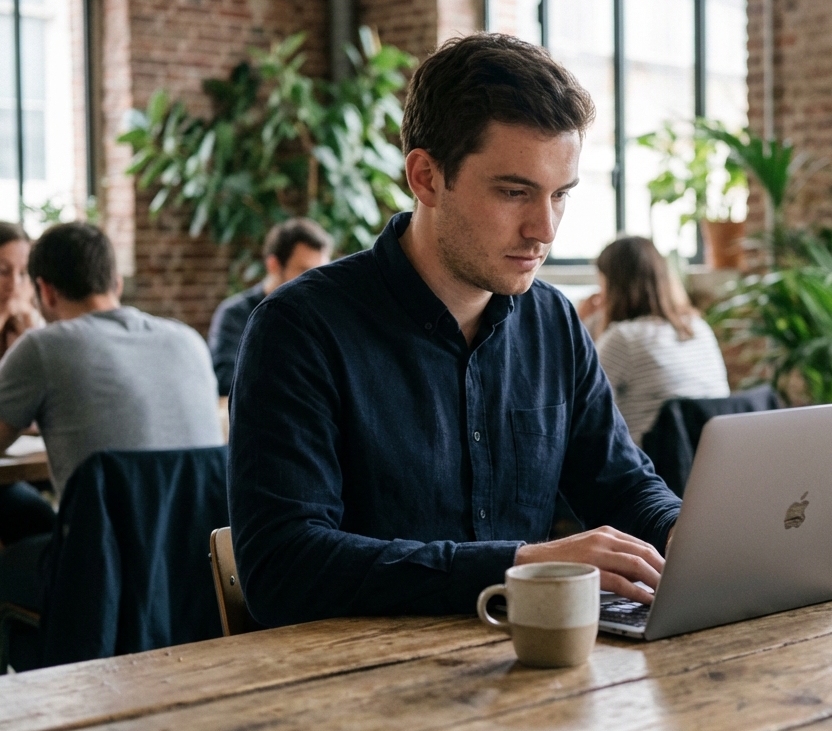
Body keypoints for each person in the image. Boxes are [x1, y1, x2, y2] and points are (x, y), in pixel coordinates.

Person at [228, 33, 681, 628]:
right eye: (515, 192)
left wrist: (700, 539)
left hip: (528, 671)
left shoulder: (553, 321)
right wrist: (519, 567)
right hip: (358, 690)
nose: (544, 230)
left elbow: (621, 486)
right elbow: (284, 568)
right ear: (426, 177)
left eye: (560, 196)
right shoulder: (299, 329)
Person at [0, 223, 224, 618]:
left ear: (45, 290)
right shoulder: (188, 340)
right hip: (197, 569)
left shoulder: (42, 347)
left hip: (101, 574)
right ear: (115, 283)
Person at [586, 237, 730, 444]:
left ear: (612, 284)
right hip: (706, 461)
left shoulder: (623, 338)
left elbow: (584, 409)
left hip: (649, 467)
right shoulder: (698, 327)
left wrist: (578, 324)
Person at [208, 217, 332, 396]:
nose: (316, 283)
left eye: (321, 273)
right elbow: (226, 379)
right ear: (273, 265)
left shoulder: (323, 316)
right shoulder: (235, 314)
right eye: (305, 272)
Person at [0, 221, 52, 548]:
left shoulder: (32, 328)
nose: (14, 284)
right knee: (41, 522)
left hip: (28, 459)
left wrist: (30, 332)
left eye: (22, 273)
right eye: (3, 271)